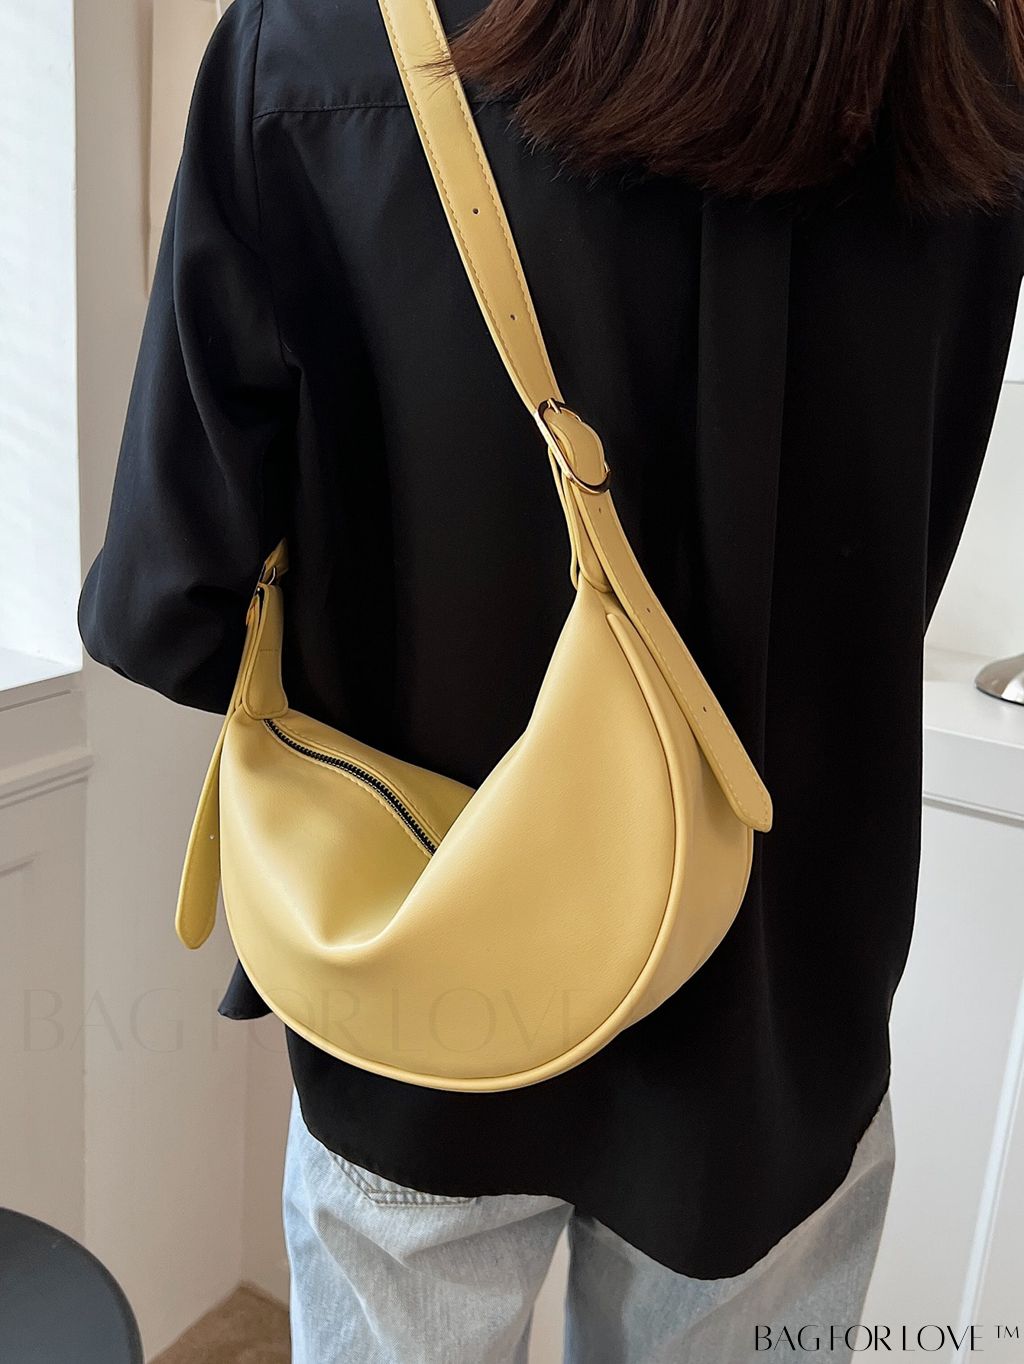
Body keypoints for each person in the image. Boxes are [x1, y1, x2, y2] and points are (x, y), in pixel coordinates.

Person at [77, 0, 1024, 1359]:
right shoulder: (962, 63)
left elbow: (172, 603)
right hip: (784, 1008)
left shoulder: (327, 39)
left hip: (425, 978)